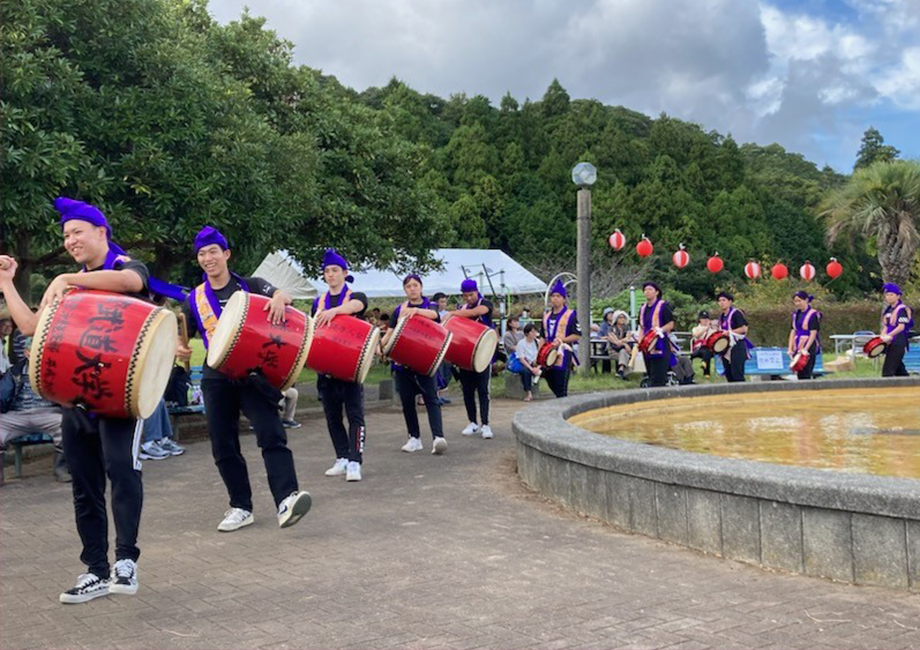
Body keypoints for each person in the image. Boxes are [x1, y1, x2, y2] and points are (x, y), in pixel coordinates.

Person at [0, 197, 151, 603]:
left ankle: (126, 561)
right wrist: (6, 284)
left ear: (101, 232)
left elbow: (134, 284)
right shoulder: (68, 284)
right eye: (65, 235)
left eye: (77, 232)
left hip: (121, 395)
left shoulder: (122, 265)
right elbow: (32, 326)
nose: (70, 241)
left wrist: (69, 280)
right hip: (75, 397)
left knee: (122, 469)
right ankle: (95, 571)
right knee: (84, 484)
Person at [177, 226, 311, 533]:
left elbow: (283, 294)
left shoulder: (251, 285)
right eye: (201, 254)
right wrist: (178, 345)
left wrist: (279, 298)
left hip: (252, 375)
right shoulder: (195, 299)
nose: (207, 258)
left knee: (271, 434)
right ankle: (240, 506)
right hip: (216, 378)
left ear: (226, 254)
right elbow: (183, 335)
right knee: (223, 444)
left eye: (213, 251)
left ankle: (287, 499)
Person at [312, 248, 369, 482]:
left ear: (345, 273)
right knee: (332, 416)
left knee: (355, 415)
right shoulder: (318, 302)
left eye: (335, 270)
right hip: (326, 370)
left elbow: (356, 307)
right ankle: (342, 457)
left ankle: (355, 461)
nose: (331, 275)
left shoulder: (356, 297)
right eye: (327, 271)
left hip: (350, 367)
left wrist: (335, 311)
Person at [388, 274, 447, 454]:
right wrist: (380, 345)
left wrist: (417, 311)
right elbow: (390, 332)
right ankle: (414, 438)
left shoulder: (430, 305)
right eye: (408, 286)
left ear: (421, 287)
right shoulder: (399, 310)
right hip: (402, 362)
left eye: (415, 285)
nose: (412, 289)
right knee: (407, 401)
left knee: (431, 399)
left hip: (424, 362)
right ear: (405, 290)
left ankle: (438, 437)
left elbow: (435, 316)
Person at [0, 332, 70, 482]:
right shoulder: (15, 371)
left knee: (66, 423)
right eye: (35, 350)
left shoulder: (54, 370)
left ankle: (61, 468)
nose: (40, 354)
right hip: (18, 414)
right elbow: (2, 394)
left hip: (48, 412)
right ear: (26, 352)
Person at [448, 279, 495, 438]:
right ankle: (472, 422)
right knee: (467, 391)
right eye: (465, 295)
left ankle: (486, 424)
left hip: (483, 355)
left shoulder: (485, 303)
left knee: (483, 391)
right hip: (465, 356)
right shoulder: (463, 308)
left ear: (476, 292)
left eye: (471, 294)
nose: (468, 298)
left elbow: (477, 312)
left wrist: (454, 313)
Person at [541, 280, 580, 397]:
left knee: (561, 384)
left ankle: (561, 401)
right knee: (548, 376)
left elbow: (577, 335)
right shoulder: (546, 316)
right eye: (553, 296)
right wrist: (539, 353)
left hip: (563, 353)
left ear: (564, 299)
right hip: (547, 353)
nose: (555, 299)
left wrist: (562, 340)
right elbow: (542, 336)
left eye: (558, 296)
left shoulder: (571, 314)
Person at [637, 282, 675, 388]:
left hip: (660, 344)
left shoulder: (663, 306)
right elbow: (641, 327)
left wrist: (660, 330)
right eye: (645, 290)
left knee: (659, 376)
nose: (647, 292)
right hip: (647, 345)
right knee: (650, 374)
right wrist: (640, 343)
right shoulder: (643, 308)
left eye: (650, 289)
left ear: (657, 292)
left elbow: (671, 324)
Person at [879, 283, 913, 377]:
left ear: (898, 296)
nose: (889, 297)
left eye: (891, 295)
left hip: (898, 342)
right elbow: (886, 326)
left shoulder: (902, 310)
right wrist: (882, 337)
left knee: (887, 372)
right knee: (899, 370)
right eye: (887, 295)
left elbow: (901, 327)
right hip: (890, 342)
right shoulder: (889, 310)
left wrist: (890, 335)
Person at [717, 291, 752, 383]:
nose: (721, 303)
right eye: (719, 301)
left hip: (737, 345)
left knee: (737, 373)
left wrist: (730, 332)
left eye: (724, 300)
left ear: (730, 301)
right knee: (729, 374)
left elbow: (744, 328)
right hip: (726, 347)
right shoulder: (721, 316)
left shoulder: (736, 313)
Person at [787, 292, 821, 380]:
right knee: (799, 371)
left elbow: (813, 333)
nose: (798, 303)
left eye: (800, 301)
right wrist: (790, 348)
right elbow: (793, 331)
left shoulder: (813, 314)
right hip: (797, 344)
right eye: (795, 301)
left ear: (806, 300)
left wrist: (806, 348)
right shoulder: (795, 315)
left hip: (808, 345)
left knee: (806, 371)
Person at [431, 292, 453, 404]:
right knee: (438, 371)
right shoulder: (431, 313)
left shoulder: (447, 314)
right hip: (435, 346)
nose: (444, 304)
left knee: (447, 371)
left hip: (446, 346)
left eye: (445, 302)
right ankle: (436, 395)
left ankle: (441, 393)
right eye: (442, 302)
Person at [598, 308, 632, 378]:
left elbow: (628, 338)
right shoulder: (611, 328)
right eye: (620, 317)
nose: (622, 319)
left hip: (624, 350)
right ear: (616, 319)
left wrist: (621, 341)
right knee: (625, 353)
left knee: (623, 352)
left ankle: (620, 371)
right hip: (613, 350)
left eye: (624, 317)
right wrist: (624, 343)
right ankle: (622, 372)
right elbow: (615, 341)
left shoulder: (627, 327)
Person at [514, 324, 542, 401]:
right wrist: (531, 369)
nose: (534, 334)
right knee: (525, 372)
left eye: (535, 331)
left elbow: (542, 356)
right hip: (526, 363)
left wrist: (538, 367)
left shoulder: (538, 342)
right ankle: (528, 392)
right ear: (527, 333)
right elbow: (521, 359)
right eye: (532, 332)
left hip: (537, 363)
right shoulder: (521, 343)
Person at [690, 311, 717, 378]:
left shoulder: (713, 329)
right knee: (705, 352)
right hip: (699, 348)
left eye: (707, 318)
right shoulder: (695, 329)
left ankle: (705, 367)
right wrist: (706, 328)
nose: (705, 320)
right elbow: (696, 335)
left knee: (707, 352)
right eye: (703, 318)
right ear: (700, 319)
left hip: (709, 348)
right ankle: (705, 371)